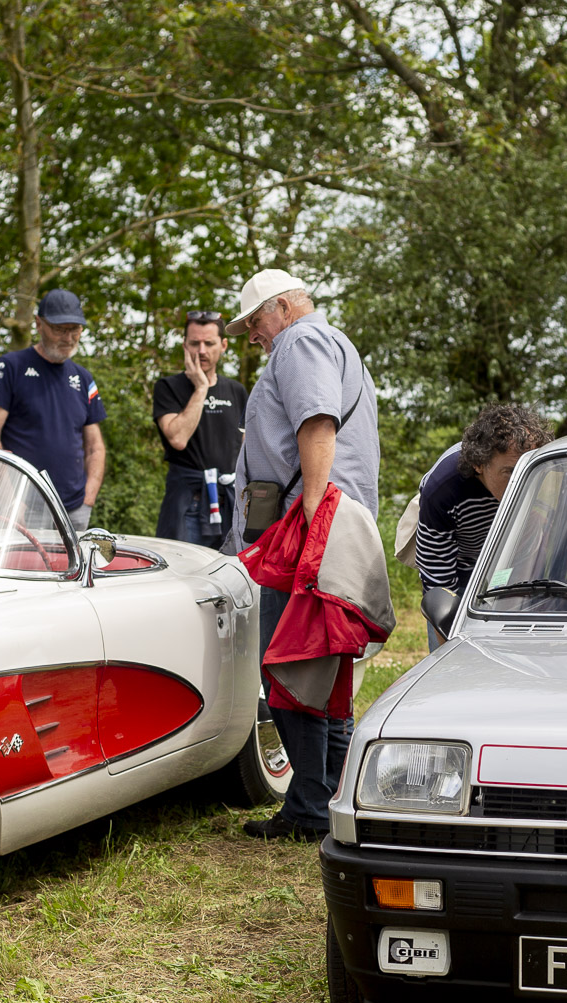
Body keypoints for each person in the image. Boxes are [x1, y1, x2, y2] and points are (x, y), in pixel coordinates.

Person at [225, 268, 381, 841]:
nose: (251, 336)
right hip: (327, 522)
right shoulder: (331, 340)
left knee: (288, 664)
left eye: (254, 322)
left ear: (283, 308)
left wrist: (313, 512)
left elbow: (317, 422)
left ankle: (313, 808)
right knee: (325, 669)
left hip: (307, 529)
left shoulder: (301, 340)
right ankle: (331, 798)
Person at [411, 405, 554, 648]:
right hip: (457, 564)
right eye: (509, 472)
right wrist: (450, 654)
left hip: (509, 558)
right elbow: (439, 585)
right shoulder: (442, 490)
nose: (520, 483)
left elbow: (525, 556)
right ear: (479, 464)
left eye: (525, 470)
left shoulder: (537, 472)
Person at [0, 289, 107, 533]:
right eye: (59, 329)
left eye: (75, 329)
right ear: (38, 324)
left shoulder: (83, 378)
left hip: (74, 509)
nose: (68, 338)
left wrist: (88, 498)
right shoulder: (11, 367)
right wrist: (11, 501)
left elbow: (95, 447)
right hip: (24, 508)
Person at [153, 310, 248, 548]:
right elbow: (178, 438)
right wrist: (201, 388)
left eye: (209, 343)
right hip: (188, 505)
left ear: (223, 345)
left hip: (230, 502)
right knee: (183, 577)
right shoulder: (168, 387)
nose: (202, 350)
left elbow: (247, 448)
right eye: (195, 343)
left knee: (230, 578)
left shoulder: (236, 391)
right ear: (185, 345)